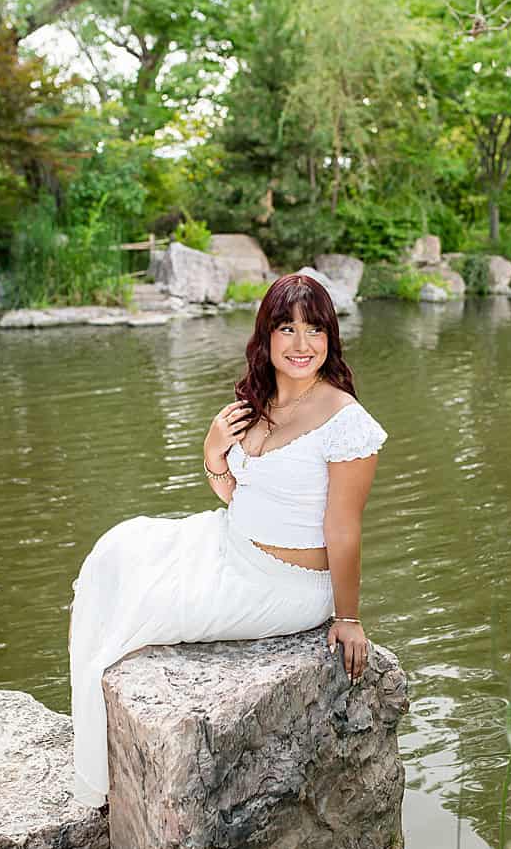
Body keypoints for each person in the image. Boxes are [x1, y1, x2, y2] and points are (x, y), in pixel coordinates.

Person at [68, 273, 387, 808]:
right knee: (116, 551)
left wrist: (348, 617)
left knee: (138, 608)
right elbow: (242, 497)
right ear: (266, 337)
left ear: (331, 338)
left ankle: (106, 778)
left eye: (314, 330)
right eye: (287, 328)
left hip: (285, 584)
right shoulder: (258, 404)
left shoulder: (345, 421)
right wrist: (213, 452)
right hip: (228, 544)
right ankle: (100, 762)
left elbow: (343, 527)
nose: (301, 344)